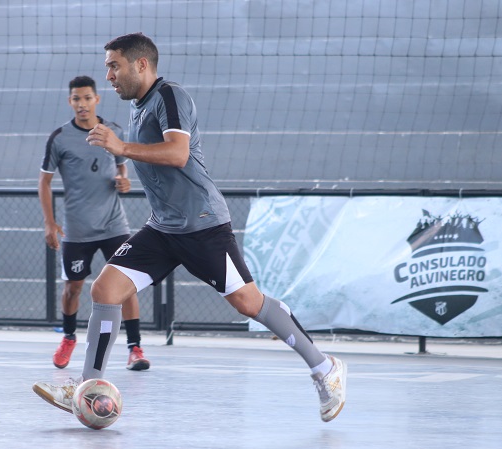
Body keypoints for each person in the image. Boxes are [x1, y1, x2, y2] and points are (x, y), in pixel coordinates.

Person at [33, 34, 346, 422]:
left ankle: (324, 368)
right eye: (107, 68)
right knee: (105, 288)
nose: (109, 75)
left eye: (114, 66)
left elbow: (178, 153)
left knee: (249, 303)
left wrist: (121, 148)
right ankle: (86, 386)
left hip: (202, 226)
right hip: (164, 228)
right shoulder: (137, 106)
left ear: (141, 64)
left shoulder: (169, 97)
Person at [37, 75, 150, 372]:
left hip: (114, 225)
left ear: (97, 99)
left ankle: (135, 348)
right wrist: (50, 223)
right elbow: (44, 182)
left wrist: (124, 182)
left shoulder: (112, 130)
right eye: (77, 98)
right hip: (77, 229)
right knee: (73, 287)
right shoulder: (59, 138)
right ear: (70, 101)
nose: (82, 103)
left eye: (87, 98)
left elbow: (122, 167)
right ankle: (69, 337)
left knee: (126, 287)